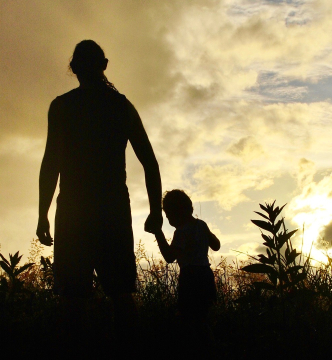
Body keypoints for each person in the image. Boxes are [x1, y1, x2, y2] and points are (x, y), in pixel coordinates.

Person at [36, 40, 162, 349]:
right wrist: (156, 211)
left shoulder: (63, 106)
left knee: (72, 298)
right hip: (113, 209)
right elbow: (149, 161)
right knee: (120, 294)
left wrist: (43, 214)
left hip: (74, 210)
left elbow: (51, 162)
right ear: (103, 65)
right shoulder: (120, 106)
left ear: (75, 68)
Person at [153, 189, 221, 353]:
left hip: (190, 278)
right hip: (205, 276)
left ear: (178, 212)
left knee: (189, 321)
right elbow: (216, 245)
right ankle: (211, 350)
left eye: (169, 215)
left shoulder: (181, 232)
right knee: (202, 320)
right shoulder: (202, 225)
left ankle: (199, 350)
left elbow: (169, 257)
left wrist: (158, 232)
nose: (168, 219)